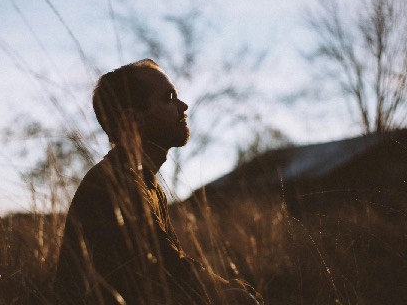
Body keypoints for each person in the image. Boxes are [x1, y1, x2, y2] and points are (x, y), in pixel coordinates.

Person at [54, 59, 262, 304]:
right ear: (133, 120)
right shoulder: (115, 184)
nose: (183, 106)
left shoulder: (147, 183)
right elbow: (166, 268)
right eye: (169, 98)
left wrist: (227, 287)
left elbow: (171, 262)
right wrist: (228, 293)